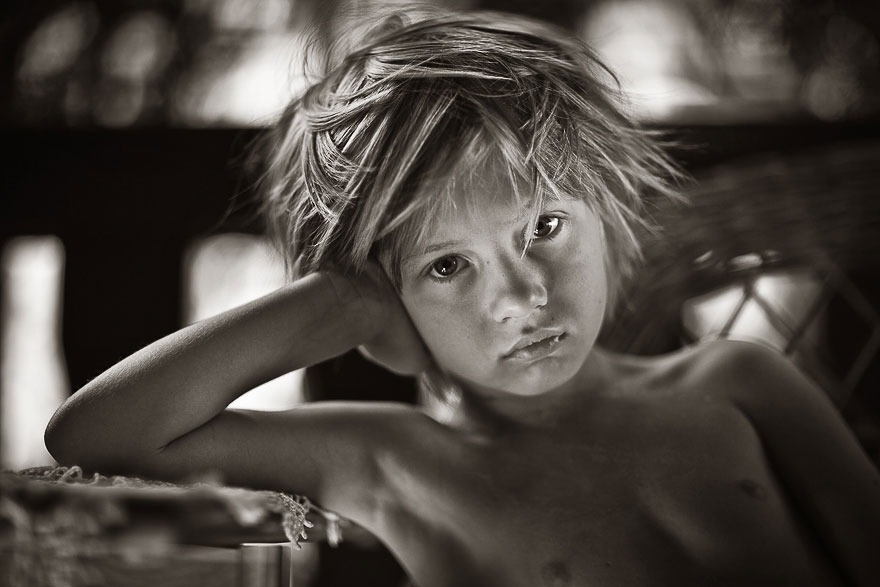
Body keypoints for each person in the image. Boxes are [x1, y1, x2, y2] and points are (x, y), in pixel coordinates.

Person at [45, 9, 879, 587]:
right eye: (448, 266)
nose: (522, 294)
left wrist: (407, 276)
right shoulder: (396, 464)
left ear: (603, 205)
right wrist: (340, 303)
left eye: (543, 225)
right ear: (383, 291)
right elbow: (95, 431)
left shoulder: (736, 385)